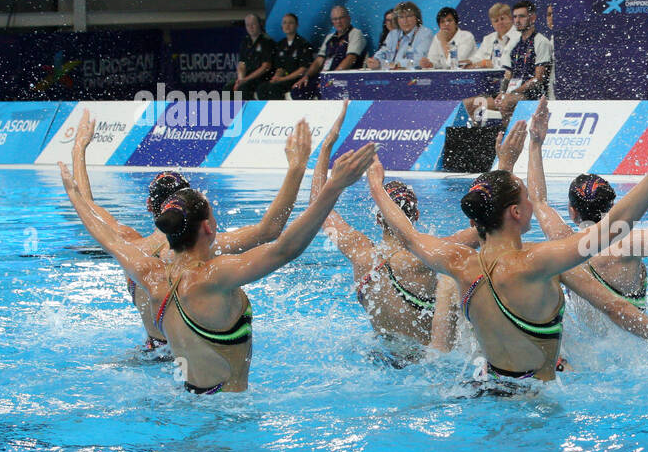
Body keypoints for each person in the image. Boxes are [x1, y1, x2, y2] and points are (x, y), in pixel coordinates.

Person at [365, 112, 648, 390]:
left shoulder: (458, 261)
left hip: (479, 388)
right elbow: (614, 243)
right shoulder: (542, 261)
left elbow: (408, 235)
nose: (533, 202)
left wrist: (377, 188)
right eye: (526, 197)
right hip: (532, 402)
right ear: (515, 212)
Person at [61, 127, 376, 394]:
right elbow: (283, 247)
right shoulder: (214, 276)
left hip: (179, 394)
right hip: (226, 419)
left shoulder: (148, 271)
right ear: (208, 228)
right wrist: (329, 186)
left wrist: (75, 191)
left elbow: (105, 235)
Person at [67, 112, 314, 353]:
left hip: (153, 350)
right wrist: (296, 169)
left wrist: (79, 150)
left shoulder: (133, 249)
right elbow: (270, 231)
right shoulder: (206, 244)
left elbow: (87, 207)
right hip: (197, 355)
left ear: (149, 207)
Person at [523, 98, 648, 355]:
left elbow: (538, 199)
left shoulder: (565, 244)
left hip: (586, 353)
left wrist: (535, 143)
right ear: (613, 206)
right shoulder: (629, 245)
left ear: (572, 212)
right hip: (636, 353)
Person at [310, 104, 470, 362]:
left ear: (377, 217)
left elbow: (317, 208)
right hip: (424, 364)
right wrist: (505, 162)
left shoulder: (361, 253)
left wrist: (327, 147)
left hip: (380, 358)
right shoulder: (427, 254)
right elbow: (485, 228)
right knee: (451, 283)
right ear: (415, 216)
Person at [466, 0, 553, 126]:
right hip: (511, 92)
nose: (517, 20)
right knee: (471, 103)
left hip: (531, 95)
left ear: (533, 18)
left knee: (507, 102)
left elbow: (538, 78)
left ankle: (508, 140)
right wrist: (502, 93)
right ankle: (484, 140)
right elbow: (508, 74)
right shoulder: (514, 42)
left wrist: (513, 92)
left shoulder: (541, 41)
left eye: (522, 16)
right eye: (515, 17)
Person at [293, 5, 366, 98]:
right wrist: (306, 76)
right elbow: (319, 60)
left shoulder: (356, 33)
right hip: (325, 77)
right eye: (335, 19)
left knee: (324, 90)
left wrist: (330, 79)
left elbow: (350, 59)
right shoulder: (330, 37)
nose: (338, 22)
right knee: (298, 90)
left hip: (342, 78)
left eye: (341, 18)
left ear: (348, 18)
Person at [256, 13, 316, 100]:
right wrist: (277, 77)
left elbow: (303, 69)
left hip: (294, 79)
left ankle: (277, 112)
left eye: (290, 23)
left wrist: (281, 79)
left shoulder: (303, 44)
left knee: (272, 88)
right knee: (261, 88)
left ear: (297, 25)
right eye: (284, 23)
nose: (287, 25)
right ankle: (233, 112)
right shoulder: (280, 44)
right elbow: (279, 68)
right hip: (248, 78)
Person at [366, 1, 433, 70]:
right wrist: (376, 61)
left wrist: (396, 64)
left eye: (409, 16)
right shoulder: (393, 34)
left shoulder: (425, 33)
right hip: (391, 74)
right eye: (401, 17)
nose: (405, 21)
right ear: (396, 19)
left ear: (417, 18)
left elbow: (419, 60)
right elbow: (384, 52)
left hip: (413, 76)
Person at [228, 14, 276, 96]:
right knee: (228, 87)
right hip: (248, 77)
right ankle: (230, 109)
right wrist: (240, 79)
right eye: (248, 25)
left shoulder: (267, 41)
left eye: (253, 24)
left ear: (259, 24)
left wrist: (246, 79)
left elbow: (266, 67)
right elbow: (241, 63)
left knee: (243, 88)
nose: (250, 27)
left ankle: (248, 108)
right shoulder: (245, 42)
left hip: (262, 77)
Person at [469, 2, 520, 69]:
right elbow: (477, 58)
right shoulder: (488, 39)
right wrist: (469, 62)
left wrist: (487, 63)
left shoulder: (520, 36)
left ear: (511, 18)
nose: (500, 23)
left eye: (502, 19)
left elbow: (516, 62)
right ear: (492, 24)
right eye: (496, 21)